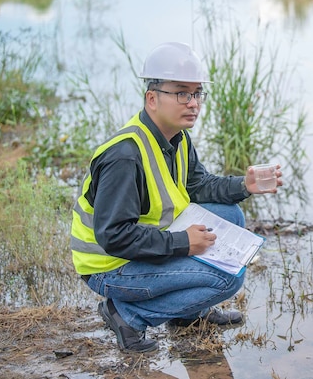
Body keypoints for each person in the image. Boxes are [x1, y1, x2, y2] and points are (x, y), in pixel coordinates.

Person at [70, 41, 282, 353]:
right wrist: (183, 243)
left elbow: (199, 187)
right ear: (152, 98)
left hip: (143, 247)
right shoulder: (125, 157)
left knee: (231, 215)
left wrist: (244, 186)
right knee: (227, 279)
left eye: (197, 93)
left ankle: (187, 313)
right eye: (182, 93)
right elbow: (113, 236)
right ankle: (126, 314)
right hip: (109, 267)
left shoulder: (177, 138)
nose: (193, 103)